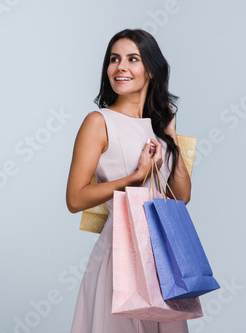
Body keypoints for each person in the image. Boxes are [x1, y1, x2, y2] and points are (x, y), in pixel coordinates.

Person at [65, 29, 192, 332]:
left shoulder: (161, 127)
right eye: (114, 59)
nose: (120, 67)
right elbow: (75, 199)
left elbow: (182, 197)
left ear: (150, 69)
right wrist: (135, 176)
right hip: (121, 252)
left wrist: (171, 138)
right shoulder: (98, 122)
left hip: (163, 255)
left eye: (132, 59)